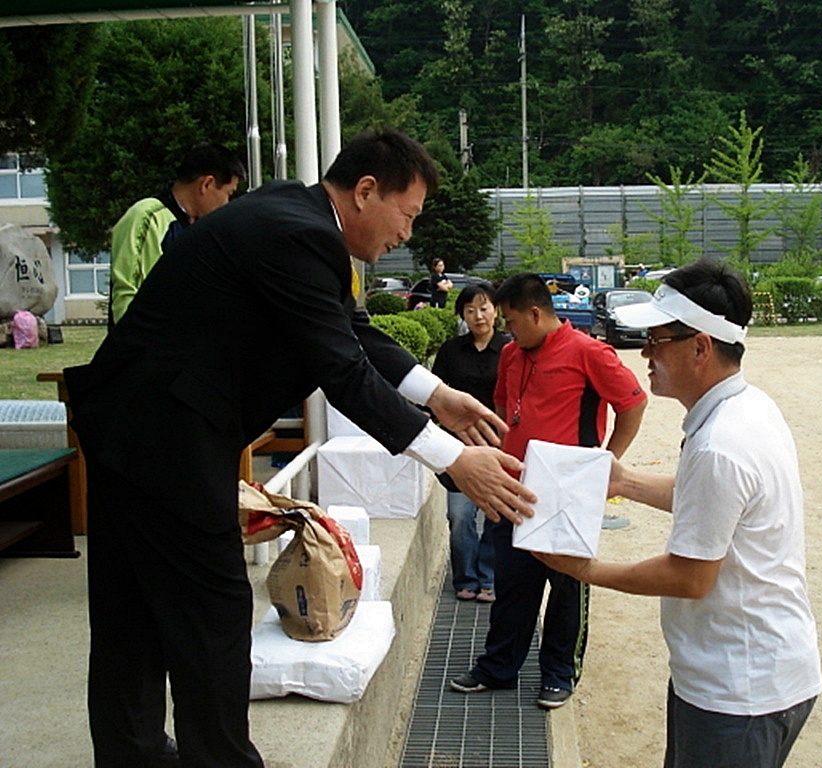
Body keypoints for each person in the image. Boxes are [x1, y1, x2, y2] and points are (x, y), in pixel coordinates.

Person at [64, 129, 536, 768]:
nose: (407, 234)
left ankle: (134, 752)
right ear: (366, 192)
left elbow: (352, 330)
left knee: (131, 606)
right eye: (407, 214)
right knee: (212, 611)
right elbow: (342, 371)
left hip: (132, 424)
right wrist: (452, 458)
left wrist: (438, 394)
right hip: (165, 439)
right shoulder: (300, 236)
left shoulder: (296, 214)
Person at [535, 259, 822, 768]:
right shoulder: (748, 407)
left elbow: (689, 577)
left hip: (739, 689)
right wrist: (624, 481)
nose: (645, 353)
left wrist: (583, 569)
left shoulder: (721, 445)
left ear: (700, 347)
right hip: (747, 673)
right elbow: (712, 503)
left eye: (656, 339)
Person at [449, 272, 647, 709]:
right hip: (517, 486)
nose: (506, 329)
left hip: (568, 492)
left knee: (567, 584)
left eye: (511, 320)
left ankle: (559, 672)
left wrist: (604, 465)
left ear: (536, 314)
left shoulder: (589, 352)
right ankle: (498, 667)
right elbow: (504, 406)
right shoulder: (512, 354)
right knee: (512, 581)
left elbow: (633, 402)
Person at [109, 142, 246, 326]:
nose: (227, 203)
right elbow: (128, 298)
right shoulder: (148, 217)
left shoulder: (201, 229)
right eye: (228, 193)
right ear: (207, 184)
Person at [431, 282, 510, 603]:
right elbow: (434, 395)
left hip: (498, 443)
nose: (478, 316)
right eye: (470, 310)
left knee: (494, 514)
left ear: (496, 311)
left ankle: (489, 578)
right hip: (457, 446)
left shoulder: (510, 349)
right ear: (462, 314)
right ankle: (465, 577)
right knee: (460, 515)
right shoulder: (450, 350)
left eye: (484, 308)